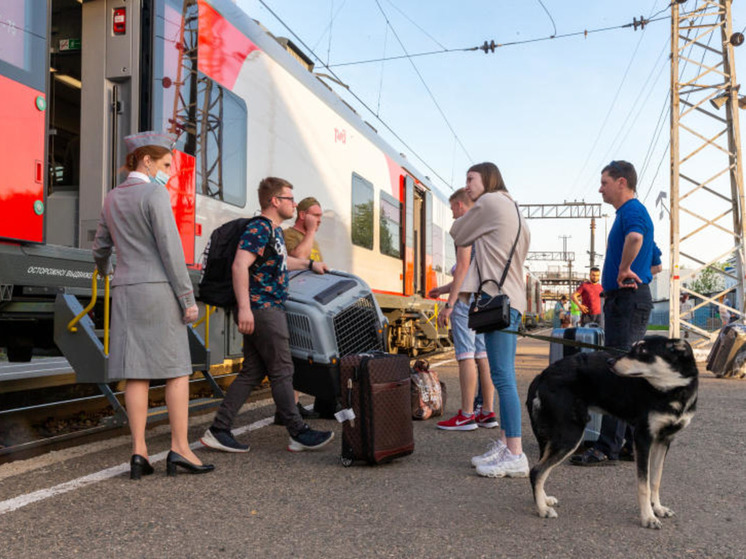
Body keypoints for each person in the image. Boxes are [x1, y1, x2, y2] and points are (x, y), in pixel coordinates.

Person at [92, 131, 214, 479]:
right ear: (146, 160)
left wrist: (109, 270)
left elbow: (100, 247)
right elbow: (170, 250)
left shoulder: (112, 198)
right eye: (164, 164)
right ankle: (180, 449)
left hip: (127, 291)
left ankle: (139, 453)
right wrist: (187, 298)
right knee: (177, 369)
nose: (168, 171)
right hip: (160, 291)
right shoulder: (155, 194)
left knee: (137, 372)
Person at [200, 177, 335, 453]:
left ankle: (219, 429)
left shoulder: (272, 231)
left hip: (265, 306)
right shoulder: (260, 228)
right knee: (283, 369)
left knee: (252, 371)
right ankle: (297, 431)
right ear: (275, 201)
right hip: (263, 307)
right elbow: (240, 265)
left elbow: (283, 262)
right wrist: (245, 308)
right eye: (289, 199)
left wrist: (310, 264)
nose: (294, 204)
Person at [571, 160, 655, 466]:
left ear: (621, 182)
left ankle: (607, 446)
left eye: (604, 182)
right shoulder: (635, 213)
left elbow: (636, 239)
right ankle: (630, 443)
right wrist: (640, 269)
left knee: (618, 369)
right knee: (629, 370)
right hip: (633, 298)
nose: (600, 188)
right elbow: (655, 262)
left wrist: (624, 270)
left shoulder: (631, 211)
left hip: (626, 299)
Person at [450, 162, 531, 478]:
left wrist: (468, 212)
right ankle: (505, 443)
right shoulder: (513, 208)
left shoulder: (489, 201)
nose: (466, 185)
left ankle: (515, 453)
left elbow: (458, 231)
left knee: (503, 377)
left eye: (471, 179)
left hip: (498, 301)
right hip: (511, 299)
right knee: (502, 374)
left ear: (488, 179)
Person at [429, 188, 496, 431]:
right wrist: (443, 289)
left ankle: (466, 414)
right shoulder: (485, 228)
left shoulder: (466, 227)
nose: (452, 214)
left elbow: (463, 268)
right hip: (483, 300)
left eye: (452, 208)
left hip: (466, 302)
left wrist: (449, 304)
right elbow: (470, 273)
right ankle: (487, 412)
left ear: (459, 205)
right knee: (482, 356)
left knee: (465, 356)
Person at [278, 196, 325, 423]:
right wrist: (310, 232)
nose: (319, 220)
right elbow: (298, 258)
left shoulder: (312, 239)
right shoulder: (289, 235)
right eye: (316, 215)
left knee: (301, 356)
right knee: (291, 357)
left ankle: (294, 404)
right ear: (303, 215)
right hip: (293, 302)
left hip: (309, 305)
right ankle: (287, 408)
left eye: (321, 216)